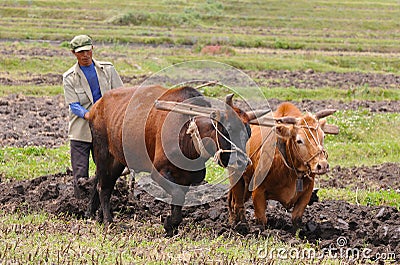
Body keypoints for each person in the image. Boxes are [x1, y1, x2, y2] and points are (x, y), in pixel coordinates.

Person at [63, 35, 124, 198]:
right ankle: (80, 203)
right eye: (80, 52)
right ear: (73, 53)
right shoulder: (69, 77)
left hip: (106, 132)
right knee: (80, 173)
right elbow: (74, 105)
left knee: (105, 170)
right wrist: (92, 116)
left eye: (87, 50)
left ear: (92, 49)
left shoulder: (108, 69)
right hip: (81, 130)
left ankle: (103, 200)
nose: (85, 55)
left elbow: (120, 94)